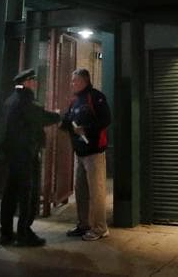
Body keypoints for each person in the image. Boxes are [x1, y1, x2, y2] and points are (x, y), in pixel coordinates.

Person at [0, 67, 60, 247]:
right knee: (28, 195)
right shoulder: (26, 101)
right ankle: (24, 232)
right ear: (25, 83)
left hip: (11, 156)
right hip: (26, 155)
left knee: (9, 195)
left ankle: (6, 234)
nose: (35, 83)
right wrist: (60, 115)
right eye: (33, 80)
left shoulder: (10, 100)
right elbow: (41, 118)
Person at [61, 68, 111, 241]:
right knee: (80, 190)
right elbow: (68, 119)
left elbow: (106, 120)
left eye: (75, 81)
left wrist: (86, 130)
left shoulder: (96, 97)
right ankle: (84, 225)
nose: (72, 84)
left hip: (94, 152)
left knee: (96, 191)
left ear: (84, 81)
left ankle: (100, 228)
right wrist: (63, 121)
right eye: (72, 81)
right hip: (80, 153)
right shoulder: (75, 100)